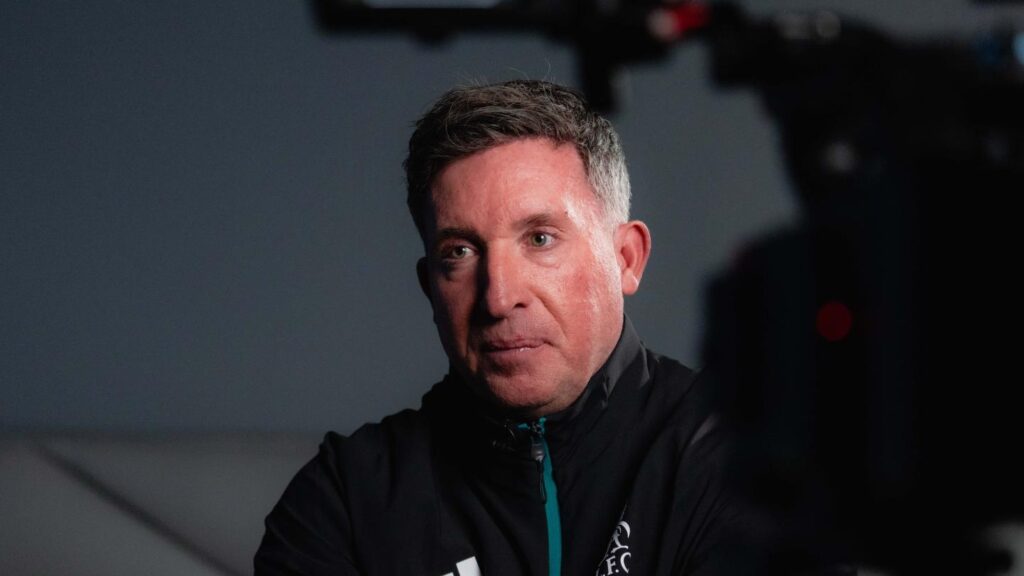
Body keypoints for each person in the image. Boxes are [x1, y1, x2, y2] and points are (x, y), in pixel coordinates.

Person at [255, 80, 735, 576]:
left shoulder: (739, 454)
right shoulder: (346, 501)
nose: (499, 298)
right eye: (459, 252)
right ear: (429, 287)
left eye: (540, 239)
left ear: (626, 259)